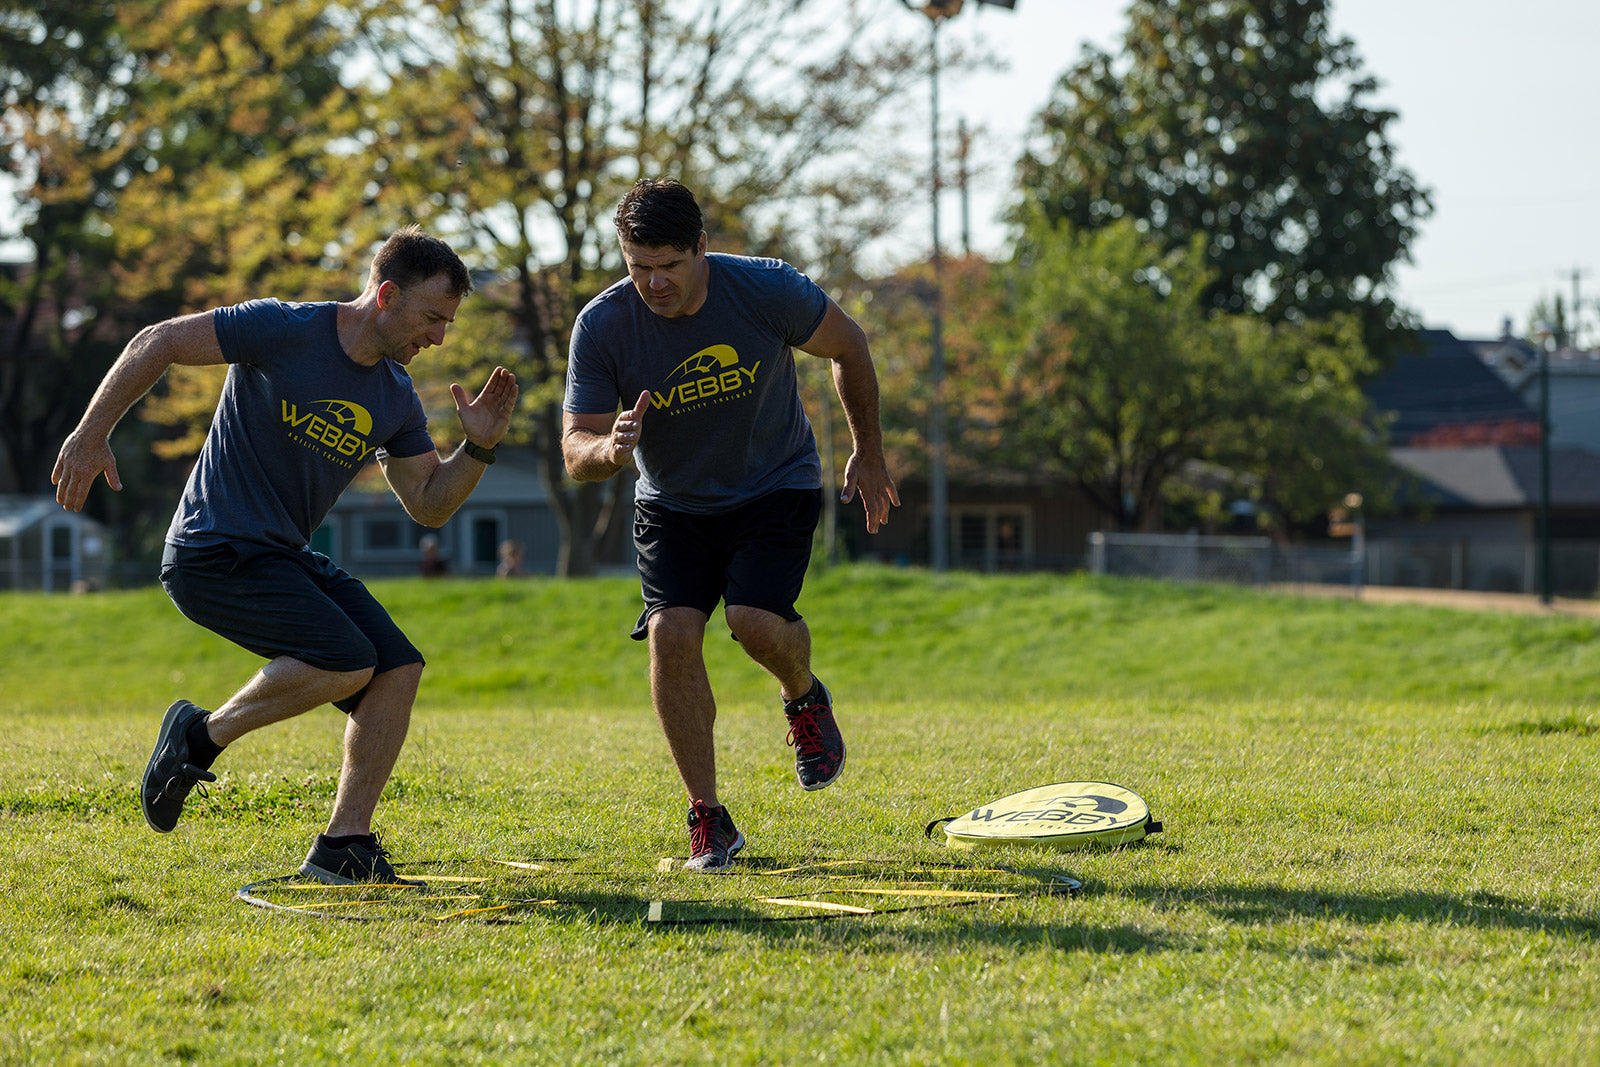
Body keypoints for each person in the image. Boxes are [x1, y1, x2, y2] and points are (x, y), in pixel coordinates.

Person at [52, 226, 518, 885]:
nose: (439, 337)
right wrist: (91, 433)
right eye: (432, 317)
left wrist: (478, 448)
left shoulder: (394, 396)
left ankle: (343, 844)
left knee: (396, 667)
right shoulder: (281, 328)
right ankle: (198, 737)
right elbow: (156, 341)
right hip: (211, 551)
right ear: (386, 294)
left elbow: (429, 504)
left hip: (281, 556)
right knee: (348, 659)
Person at [562, 178, 899, 871]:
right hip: (671, 502)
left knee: (752, 619)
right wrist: (609, 449)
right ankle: (708, 817)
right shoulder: (602, 325)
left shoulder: (767, 289)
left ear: (702, 249)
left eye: (669, 266)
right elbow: (576, 450)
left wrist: (867, 449)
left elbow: (850, 345)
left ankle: (803, 696)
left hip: (774, 482)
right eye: (637, 267)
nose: (653, 283)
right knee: (672, 632)